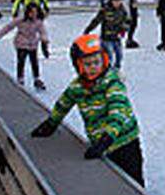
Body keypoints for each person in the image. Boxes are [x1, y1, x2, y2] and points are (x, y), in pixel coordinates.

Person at [30, 34, 143, 185]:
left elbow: (118, 109)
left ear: (105, 59)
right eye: (87, 64)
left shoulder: (112, 82)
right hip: (101, 143)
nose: (93, 67)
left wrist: (108, 137)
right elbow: (64, 103)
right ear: (79, 66)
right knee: (111, 180)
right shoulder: (77, 87)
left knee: (133, 179)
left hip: (124, 140)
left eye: (97, 62)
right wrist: (51, 123)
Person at [0, 3, 51, 90]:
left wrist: (44, 40)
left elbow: (43, 32)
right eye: (32, 12)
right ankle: (20, 78)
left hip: (33, 44)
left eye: (35, 12)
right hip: (21, 42)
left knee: (34, 61)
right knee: (21, 60)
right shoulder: (20, 19)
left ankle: (37, 78)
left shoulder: (38, 21)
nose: (34, 14)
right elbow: (8, 27)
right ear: (27, 12)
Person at [82, 0, 131, 72]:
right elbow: (97, 20)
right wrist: (88, 29)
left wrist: (124, 30)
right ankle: (107, 71)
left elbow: (127, 21)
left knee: (119, 56)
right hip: (107, 38)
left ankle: (116, 70)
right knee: (109, 57)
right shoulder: (106, 9)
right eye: (115, 1)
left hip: (117, 37)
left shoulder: (122, 9)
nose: (117, 3)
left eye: (119, 1)